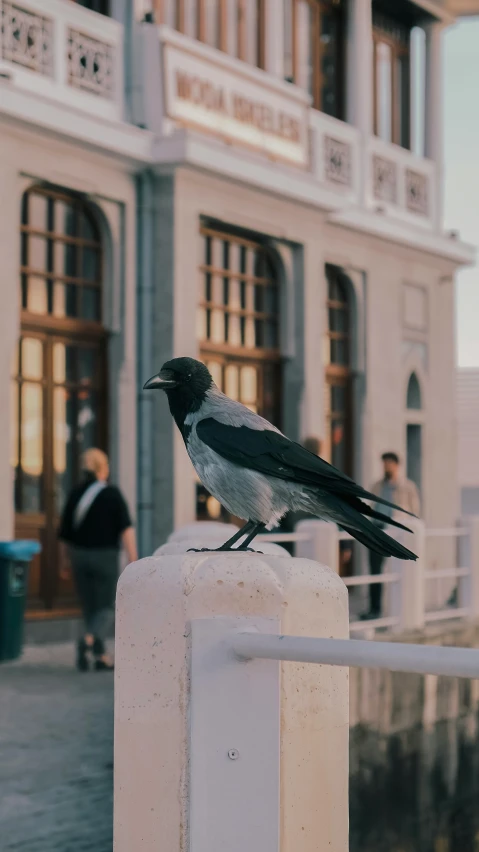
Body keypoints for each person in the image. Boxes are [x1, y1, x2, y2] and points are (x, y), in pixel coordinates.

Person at [59, 448, 138, 671]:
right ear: (103, 468)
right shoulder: (112, 494)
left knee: (90, 607)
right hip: (105, 556)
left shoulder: (74, 494)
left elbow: (64, 535)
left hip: (79, 556)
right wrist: (133, 557)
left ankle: (100, 656)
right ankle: (89, 639)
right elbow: (126, 529)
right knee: (105, 607)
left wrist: (64, 563)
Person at [362, 451, 421, 619]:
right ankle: (375, 609)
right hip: (378, 528)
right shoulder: (378, 485)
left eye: (389, 463)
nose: (386, 466)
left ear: (396, 465)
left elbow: (415, 511)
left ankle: (403, 611)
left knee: (402, 570)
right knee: (375, 570)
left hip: (397, 530)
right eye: (384, 463)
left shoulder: (408, 487)